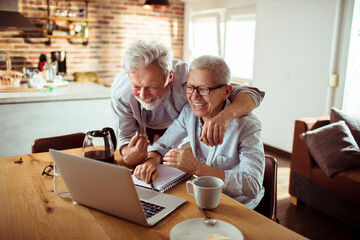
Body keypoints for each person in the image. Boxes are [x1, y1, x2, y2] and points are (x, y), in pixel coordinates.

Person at [133, 55, 265, 209]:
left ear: (226, 91)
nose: (194, 97)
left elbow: (253, 185)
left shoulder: (247, 126)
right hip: (201, 198)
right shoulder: (189, 113)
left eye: (204, 89)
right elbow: (164, 144)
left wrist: (197, 168)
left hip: (237, 206)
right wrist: (151, 161)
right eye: (190, 87)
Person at [111, 39, 265, 167]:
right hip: (149, 135)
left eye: (152, 87)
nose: (143, 95)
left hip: (180, 129)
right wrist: (127, 153)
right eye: (136, 86)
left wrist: (225, 117)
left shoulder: (189, 77)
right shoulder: (122, 93)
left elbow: (250, 93)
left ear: (170, 76)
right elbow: (126, 137)